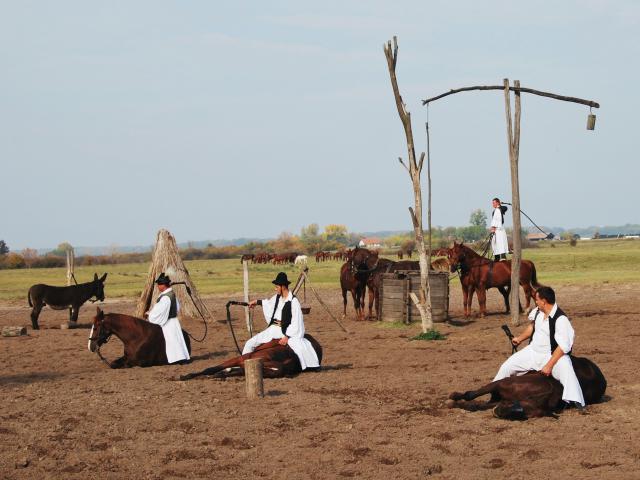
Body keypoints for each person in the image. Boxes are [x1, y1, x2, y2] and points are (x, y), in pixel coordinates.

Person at [493, 286, 585, 410]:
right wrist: (519, 339)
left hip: (551, 354)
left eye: (537, 300)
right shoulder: (538, 312)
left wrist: (549, 365)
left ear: (544, 301)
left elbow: (563, 347)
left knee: (567, 369)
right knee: (507, 366)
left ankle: (576, 401)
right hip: (532, 351)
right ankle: (494, 393)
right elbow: (532, 327)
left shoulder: (561, 319)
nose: (535, 302)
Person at [246, 272, 319, 370]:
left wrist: (287, 336)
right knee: (250, 343)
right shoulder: (277, 298)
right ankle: (245, 366)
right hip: (272, 329)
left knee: (297, 346)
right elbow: (268, 303)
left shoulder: (293, 302)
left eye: (277, 287)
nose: (275, 289)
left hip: (284, 331)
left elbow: (296, 322)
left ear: (283, 286)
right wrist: (256, 302)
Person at [146, 273, 190, 364]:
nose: (158, 287)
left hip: (168, 323)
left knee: (172, 340)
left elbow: (160, 311)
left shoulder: (166, 297)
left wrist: (150, 315)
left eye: (159, 285)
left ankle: (179, 359)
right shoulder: (171, 294)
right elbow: (177, 307)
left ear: (163, 285)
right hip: (173, 321)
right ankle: (180, 358)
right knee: (176, 340)